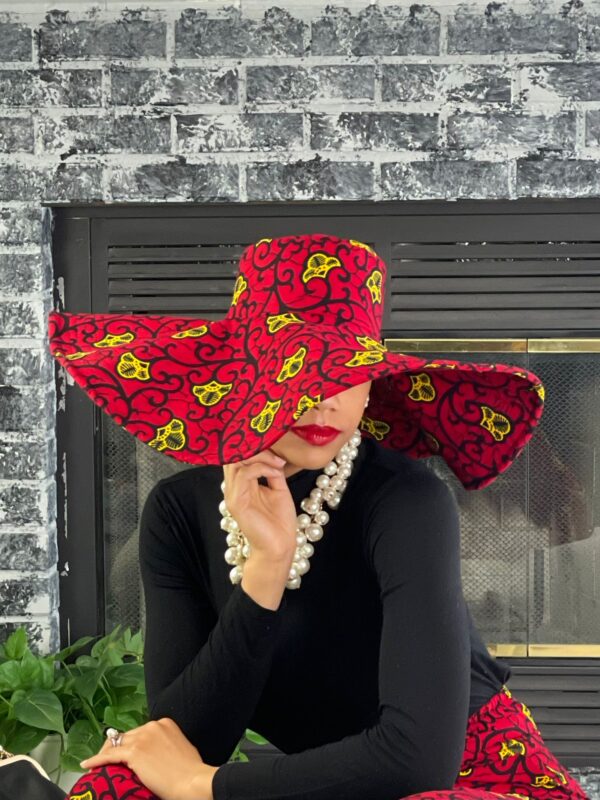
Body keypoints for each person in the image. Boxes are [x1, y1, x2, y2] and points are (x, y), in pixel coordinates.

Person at [47, 235, 586, 800]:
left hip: (465, 779)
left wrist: (205, 786)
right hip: (326, 784)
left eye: (347, 370)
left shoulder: (408, 500)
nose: (325, 399)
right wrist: (266, 568)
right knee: (119, 784)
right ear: (247, 373)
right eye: (297, 368)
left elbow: (418, 762)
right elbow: (184, 739)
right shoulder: (177, 513)